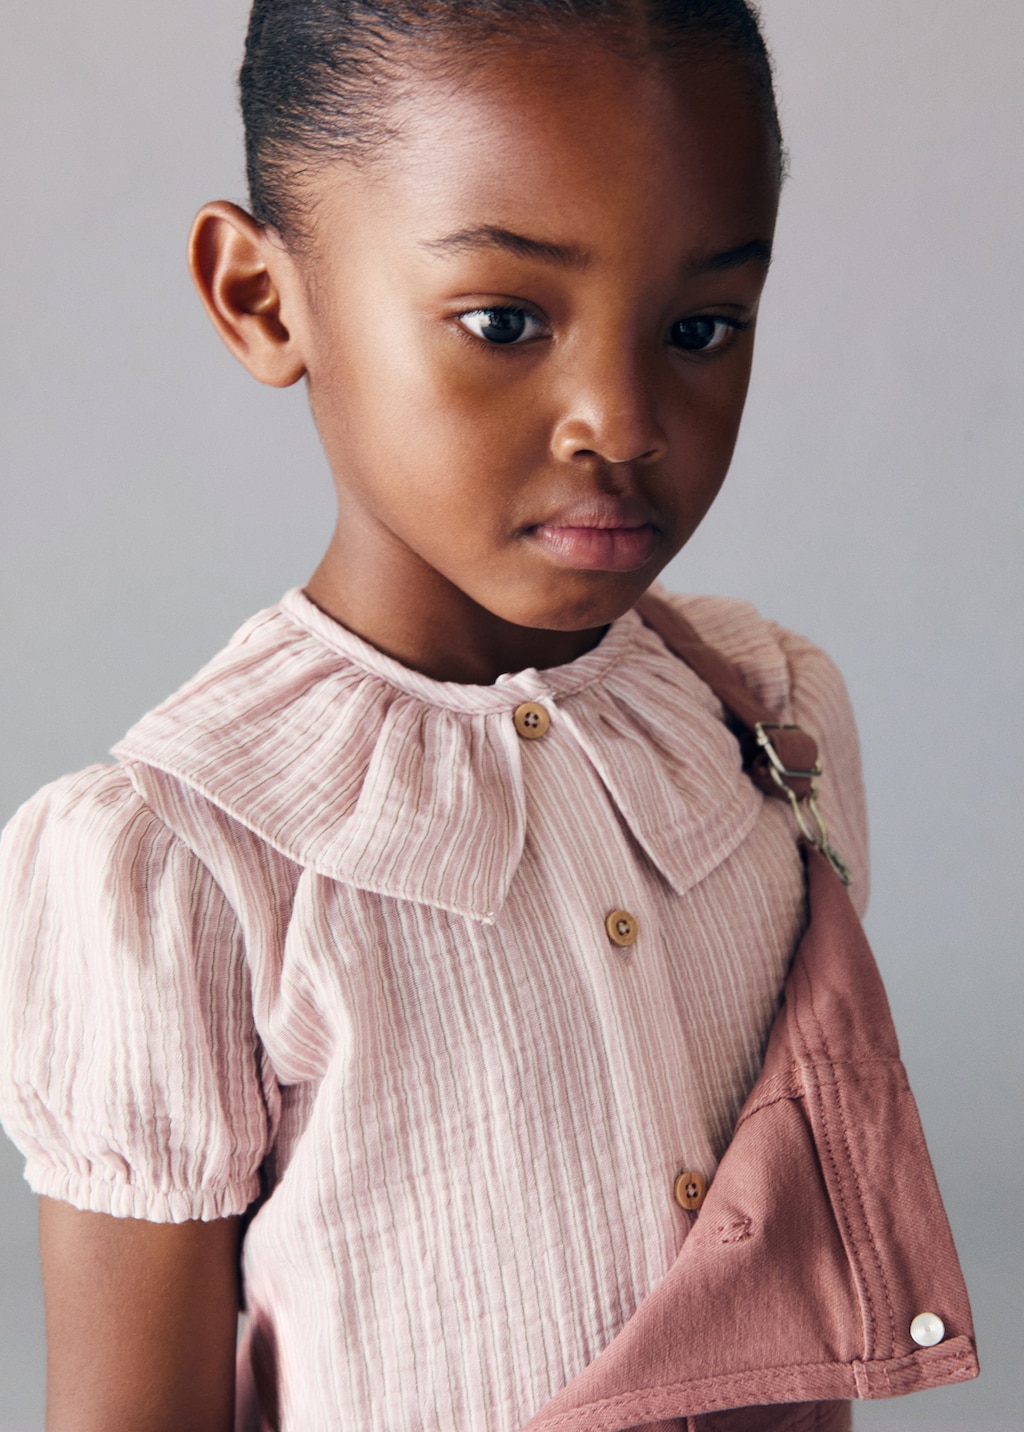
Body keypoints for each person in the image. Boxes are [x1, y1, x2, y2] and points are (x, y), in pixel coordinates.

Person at [0, 3, 976, 1430]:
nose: (623, 419)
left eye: (702, 326)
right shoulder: (176, 867)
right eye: (505, 321)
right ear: (263, 300)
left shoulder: (771, 721)